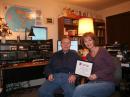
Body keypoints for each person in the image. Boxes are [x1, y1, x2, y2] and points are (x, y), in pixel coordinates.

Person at [73, 32, 116, 97]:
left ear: (94, 40)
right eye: (85, 41)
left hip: (107, 83)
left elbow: (112, 67)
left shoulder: (102, 51)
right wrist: (88, 75)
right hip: (94, 82)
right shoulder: (88, 56)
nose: (88, 43)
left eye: (90, 40)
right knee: (81, 92)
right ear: (84, 43)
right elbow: (90, 72)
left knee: (79, 89)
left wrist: (97, 75)